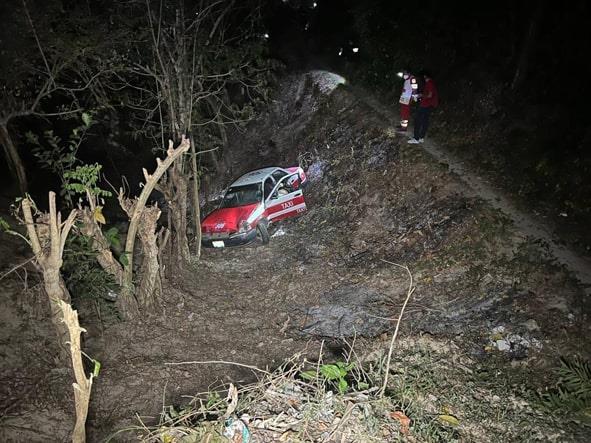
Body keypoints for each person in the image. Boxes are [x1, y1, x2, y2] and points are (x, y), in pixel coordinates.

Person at [408, 71, 438, 144]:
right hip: (429, 105)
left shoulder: (429, 83)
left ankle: (416, 138)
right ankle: (421, 137)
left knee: (418, 120)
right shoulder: (431, 82)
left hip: (425, 105)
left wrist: (421, 95)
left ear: (425, 76)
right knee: (425, 121)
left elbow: (430, 95)